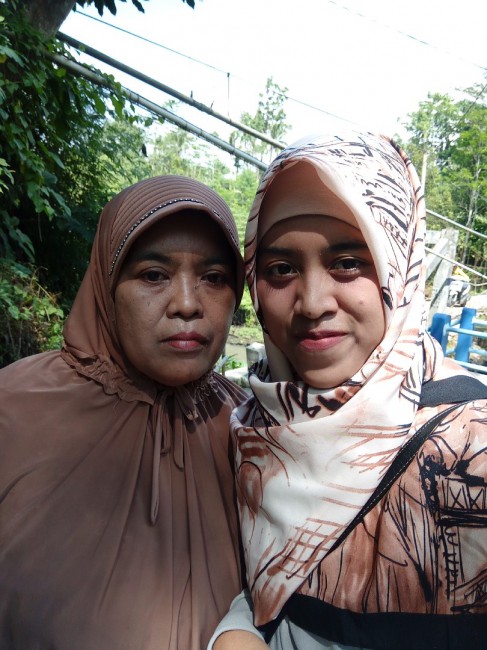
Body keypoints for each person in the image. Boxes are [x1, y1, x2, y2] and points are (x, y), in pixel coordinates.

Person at [210, 132, 487, 650]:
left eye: (347, 262)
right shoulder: (256, 428)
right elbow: (273, 590)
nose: (313, 302)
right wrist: (238, 629)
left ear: (398, 268)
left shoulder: (470, 442)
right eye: (281, 269)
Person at [0, 175, 248, 649]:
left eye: (214, 278)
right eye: (153, 275)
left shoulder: (249, 427)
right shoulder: (15, 410)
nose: (187, 304)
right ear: (107, 285)